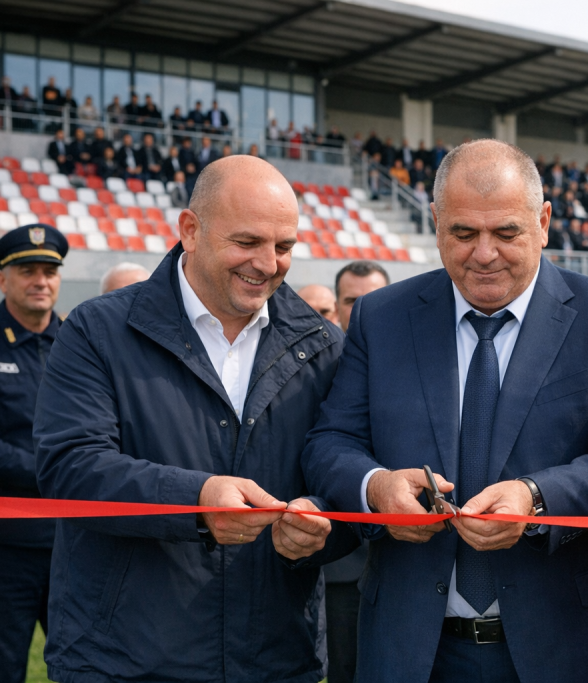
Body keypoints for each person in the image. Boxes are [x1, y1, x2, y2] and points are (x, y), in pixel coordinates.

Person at [299, 139, 588, 683]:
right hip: (414, 649)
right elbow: (330, 441)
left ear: (542, 223)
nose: (484, 253)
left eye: (506, 233)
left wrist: (535, 497)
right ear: (437, 222)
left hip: (572, 646)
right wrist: (375, 487)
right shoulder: (382, 317)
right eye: (464, 233)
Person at [33, 156, 357, 683]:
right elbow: (70, 468)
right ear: (189, 230)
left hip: (275, 661)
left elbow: (341, 476)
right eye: (247, 242)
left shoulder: (325, 347)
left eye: (285, 246)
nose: (269, 263)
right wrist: (197, 502)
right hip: (123, 662)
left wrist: (320, 524)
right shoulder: (99, 330)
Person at [0, 224, 68, 683]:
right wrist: (56, 472)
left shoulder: (82, 343)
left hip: (76, 541)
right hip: (6, 547)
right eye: (27, 270)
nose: (40, 280)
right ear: (3, 279)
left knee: (88, 663)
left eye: (49, 270)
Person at [324, 262, 391, 683]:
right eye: (351, 301)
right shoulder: (316, 363)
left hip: (400, 560)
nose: (362, 309)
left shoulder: (412, 365)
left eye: (372, 299)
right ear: (337, 306)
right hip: (337, 561)